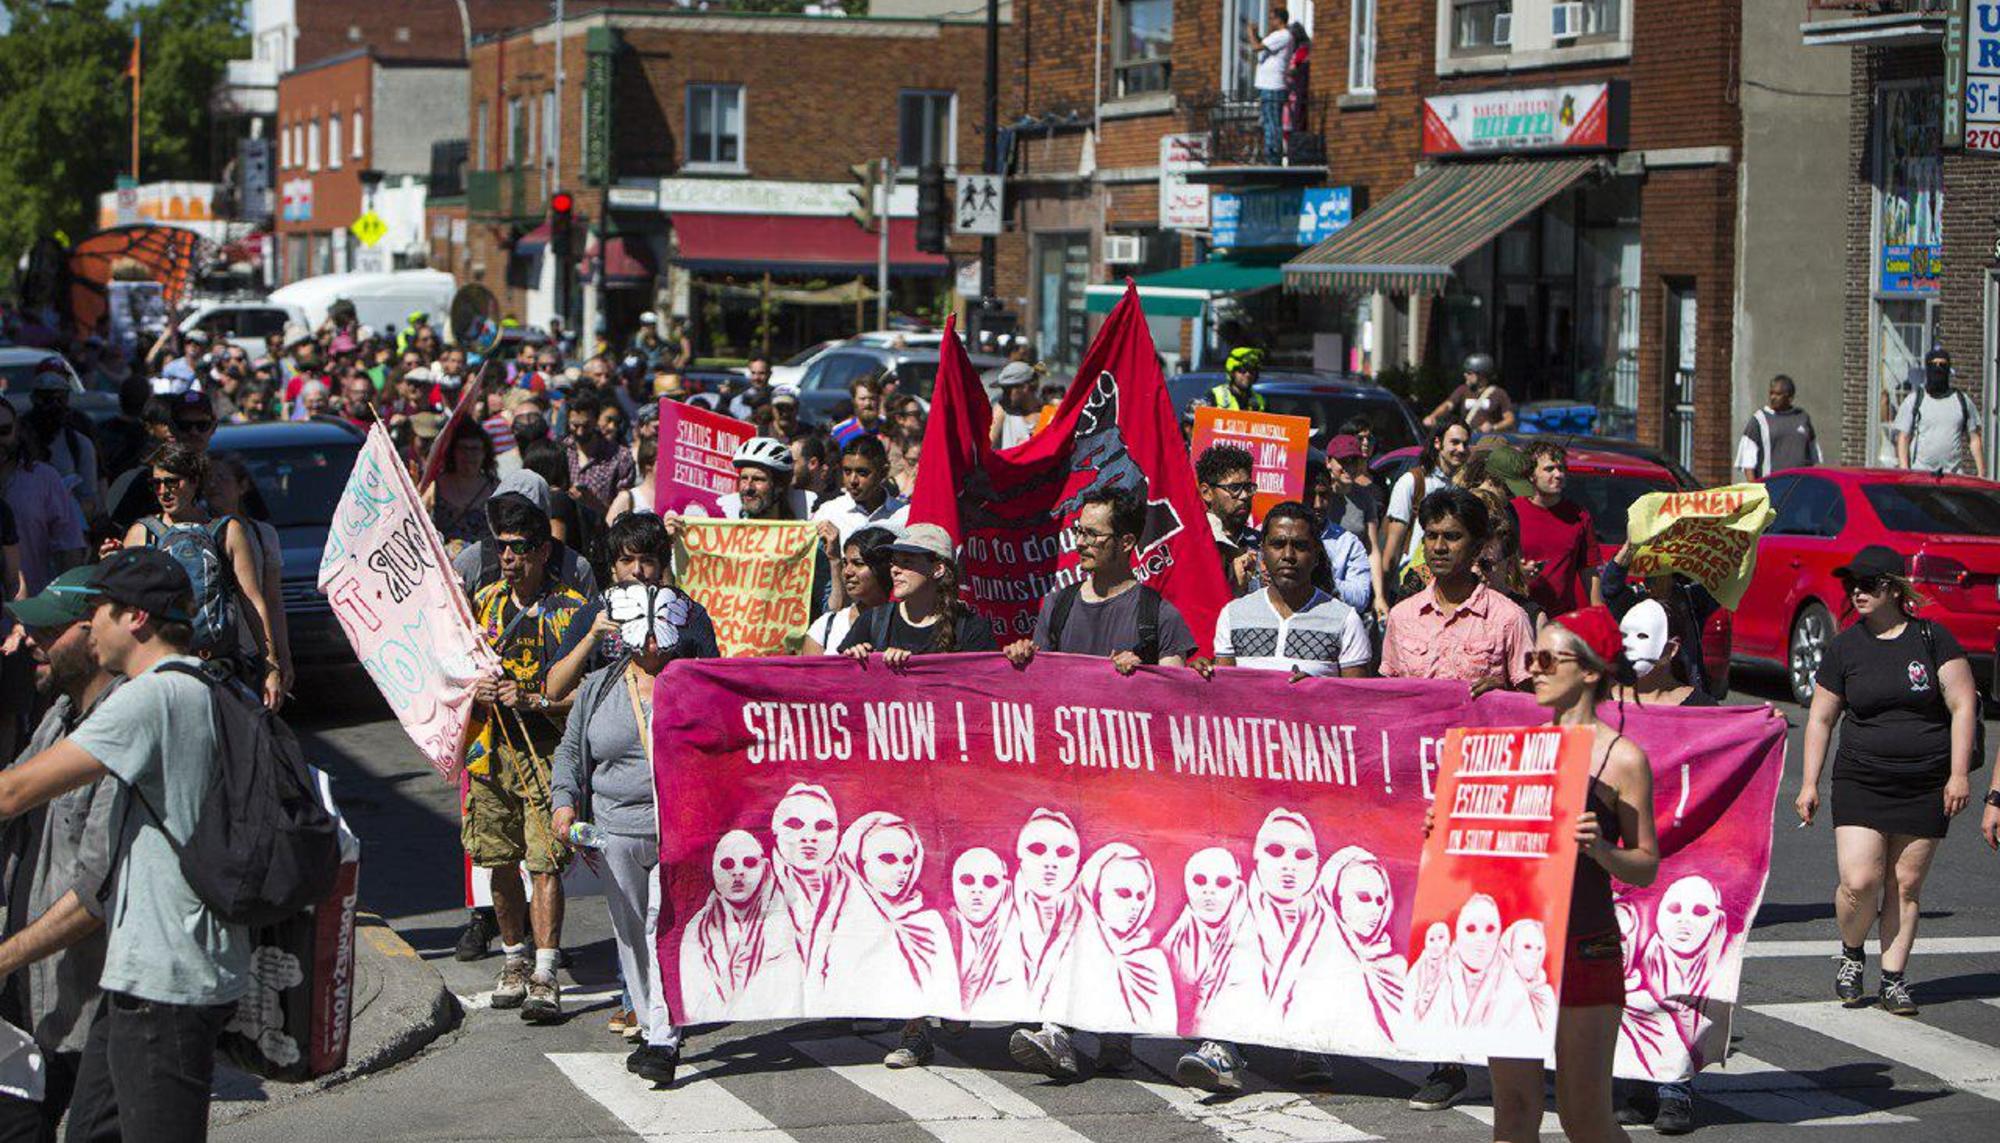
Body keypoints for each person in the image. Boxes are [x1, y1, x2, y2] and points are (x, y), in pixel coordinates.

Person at [0, 548, 250, 1142]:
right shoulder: (190, 688)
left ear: (133, 618)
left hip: (168, 976)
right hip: (141, 978)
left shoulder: (150, 696)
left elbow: (12, 793)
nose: (93, 631)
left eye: (102, 611)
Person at [1436, 605, 1659, 1143]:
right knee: (1512, 1112)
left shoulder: (1624, 758)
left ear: (1588, 670)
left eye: (1546, 657)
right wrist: (1445, 826)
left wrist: (1601, 848)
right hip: (1512, 952)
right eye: (1532, 656)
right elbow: (1480, 861)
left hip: (1586, 944)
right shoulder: (1515, 751)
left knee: (1585, 1115)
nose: (1532, 667)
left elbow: (1646, 864)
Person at [1003, 488, 1198, 1081]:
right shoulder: (1057, 607)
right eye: (1080, 533)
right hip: (1065, 793)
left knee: (1112, 912)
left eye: (1093, 534)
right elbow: (1039, 689)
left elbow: (1183, 701)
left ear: (1127, 544)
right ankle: (1057, 1027)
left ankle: (1113, 1030)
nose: (1081, 543)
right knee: (1062, 910)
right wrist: (1021, 657)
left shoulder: (1155, 615)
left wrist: (1147, 679)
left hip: (1130, 795)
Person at [836, 522, 995, 1068]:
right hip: (891, 795)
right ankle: (913, 1028)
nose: (895, 568)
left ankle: (953, 993)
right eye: (893, 559)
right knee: (907, 906)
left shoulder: (973, 630)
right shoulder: (875, 622)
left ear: (940, 572)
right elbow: (834, 700)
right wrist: (857, 664)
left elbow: (984, 707)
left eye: (908, 559)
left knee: (950, 905)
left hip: (954, 793)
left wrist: (927, 677)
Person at [1796, 545, 1977, 1017]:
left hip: (1924, 782)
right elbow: (1820, 719)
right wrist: (1809, 782)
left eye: (1868, 584)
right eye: (1851, 584)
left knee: (1905, 883)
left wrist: (1958, 774)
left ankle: (1894, 978)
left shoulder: (1932, 639)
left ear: (1893, 589)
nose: (1857, 592)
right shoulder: (1845, 646)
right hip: (1862, 778)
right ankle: (1852, 953)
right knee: (1860, 879)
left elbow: (1963, 706)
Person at [550, 575, 714, 1088]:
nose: (647, 642)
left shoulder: (693, 683)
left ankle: (665, 1039)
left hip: (675, 828)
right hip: (614, 832)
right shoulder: (599, 687)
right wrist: (563, 804)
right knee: (630, 935)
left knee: (659, 925)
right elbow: (570, 751)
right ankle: (651, 1027)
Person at [0, 569, 123, 1139]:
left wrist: (6, 957)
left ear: (90, 631)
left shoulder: (124, 727)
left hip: (90, 1000)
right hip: (33, 989)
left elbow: (94, 892)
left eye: (45, 631)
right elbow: (13, 789)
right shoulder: (62, 715)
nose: (27, 641)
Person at [464, 494, 591, 1022]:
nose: (508, 558)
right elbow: (456, 674)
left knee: (544, 864)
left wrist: (535, 698)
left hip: (545, 752)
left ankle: (544, 971)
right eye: (501, 548)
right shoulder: (484, 602)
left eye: (519, 548)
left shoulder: (570, 611)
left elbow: (585, 694)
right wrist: (480, 690)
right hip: (490, 753)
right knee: (496, 859)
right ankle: (512, 960)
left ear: (543, 552)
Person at [119, 443, 283, 708]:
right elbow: (124, 606)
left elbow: (252, 600)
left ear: (195, 482)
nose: (163, 491)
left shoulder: (226, 530)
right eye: (157, 484)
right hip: (158, 670)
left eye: (172, 483)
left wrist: (271, 665)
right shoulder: (142, 533)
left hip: (218, 667)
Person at [1207, 500, 1372, 683]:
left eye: (1300, 546)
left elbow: (1356, 701)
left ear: (1316, 554)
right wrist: (1198, 677)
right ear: (1262, 551)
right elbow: (1223, 693)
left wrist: (1318, 689)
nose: (1288, 556)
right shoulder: (1233, 614)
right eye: (1278, 544)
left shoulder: (1345, 620)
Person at [205, 451, 295, 707]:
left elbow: (272, 599)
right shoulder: (194, 533)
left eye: (221, 478)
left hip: (251, 651)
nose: (212, 486)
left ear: (242, 486)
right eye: (207, 479)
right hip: (211, 650)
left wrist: (281, 657)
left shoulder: (263, 533)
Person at [451, 470, 599, 602]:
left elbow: (592, 623)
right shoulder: (473, 561)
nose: (507, 556)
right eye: (503, 508)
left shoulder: (574, 568)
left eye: (519, 547)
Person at [1378, 419, 1470, 620]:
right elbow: (1392, 550)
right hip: (1408, 589)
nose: (1461, 449)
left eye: (1465, 443)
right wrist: (1382, 597)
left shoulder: (1461, 489)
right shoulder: (1412, 482)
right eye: (1454, 442)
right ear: (1437, 443)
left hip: (1446, 590)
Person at [1512, 439, 1595, 617]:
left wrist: (1600, 616)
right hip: (1518, 616)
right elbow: (1493, 565)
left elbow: (1590, 571)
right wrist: (1518, 571)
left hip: (1561, 620)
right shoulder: (1512, 512)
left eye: (1561, 468)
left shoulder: (1579, 516)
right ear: (1530, 475)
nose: (1558, 474)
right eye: (1549, 469)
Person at [810, 436, 910, 567]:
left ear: (883, 472)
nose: (853, 481)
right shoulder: (827, 514)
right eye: (847, 471)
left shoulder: (905, 516)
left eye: (862, 473)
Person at [802, 526, 895, 656]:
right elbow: (810, 676)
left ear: (884, 567)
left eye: (858, 563)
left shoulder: (907, 622)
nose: (847, 572)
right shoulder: (825, 627)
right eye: (846, 563)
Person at [1894, 344, 1985, 477]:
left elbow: (1974, 438)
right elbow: (1903, 437)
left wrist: (1981, 473)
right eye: (1934, 364)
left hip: (1953, 477)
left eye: (1943, 365)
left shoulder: (1962, 400)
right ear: (1928, 369)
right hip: (1921, 475)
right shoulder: (1914, 400)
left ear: (1948, 369)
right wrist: (1904, 470)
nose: (1938, 369)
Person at [427, 423, 502, 555]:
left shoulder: (495, 488)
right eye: (463, 448)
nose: (468, 455)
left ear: (485, 453)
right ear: (453, 452)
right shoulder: (434, 486)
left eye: (475, 449)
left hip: (482, 562)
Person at [1197, 444, 1258, 595]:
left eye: (1248, 487)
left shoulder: (1262, 543)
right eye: (1234, 488)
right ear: (1206, 492)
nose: (1244, 496)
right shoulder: (1193, 543)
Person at [1735, 374, 1821, 482]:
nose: (1773, 397)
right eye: (1771, 393)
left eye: (1778, 394)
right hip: (1770, 487)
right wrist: (1755, 491)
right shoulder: (1759, 420)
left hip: (1799, 487)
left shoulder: (1802, 418)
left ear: (1790, 397)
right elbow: (1747, 462)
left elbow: (1813, 457)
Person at [1425, 353, 1516, 433]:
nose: (1465, 375)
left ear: (1482, 375)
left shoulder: (1499, 393)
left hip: (1488, 439)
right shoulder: (1463, 390)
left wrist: (1494, 427)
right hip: (1467, 436)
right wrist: (1433, 416)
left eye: (1469, 373)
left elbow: (1509, 419)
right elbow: (1448, 405)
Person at [1249, 8, 1293, 164]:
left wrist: (1249, 33)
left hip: (1273, 87)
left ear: (1280, 19)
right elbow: (1263, 44)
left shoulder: (1283, 35)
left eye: (1273, 18)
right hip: (1267, 86)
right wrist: (1255, 35)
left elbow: (1256, 47)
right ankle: (1270, 153)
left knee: (1272, 123)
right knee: (1268, 122)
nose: (1271, 21)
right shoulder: (1276, 36)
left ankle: (1273, 156)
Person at [991, 362, 1043, 449]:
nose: (1004, 396)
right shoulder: (1002, 410)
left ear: (1024, 387)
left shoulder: (1048, 414)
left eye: (1008, 390)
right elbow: (986, 446)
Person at [1207, 347, 1269, 413]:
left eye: (1252, 371)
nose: (1247, 375)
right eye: (1242, 370)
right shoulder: (1215, 396)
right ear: (1232, 373)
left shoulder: (1260, 402)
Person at [830, 374, 886, 447]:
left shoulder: (890, 428)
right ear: (854, 401)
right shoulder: (840, 432)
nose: (867, 403)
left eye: (872, 398)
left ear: (879, 400)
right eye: (862, 399)